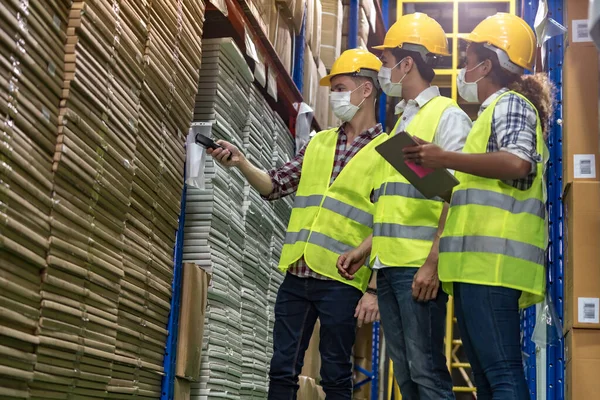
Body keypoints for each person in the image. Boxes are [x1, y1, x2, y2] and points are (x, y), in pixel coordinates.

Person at [208, 48, 387, 399]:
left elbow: (390, 224)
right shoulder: (318, 143)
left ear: (366, 90)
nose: (333, 96)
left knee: (336, 372)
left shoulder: (388, 151)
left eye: (340, 87)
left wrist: (374, 290)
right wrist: (241, 162)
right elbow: (275, 184)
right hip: (298, 274)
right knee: (282, 369)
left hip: (342, 280)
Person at [402, 13, 553, 400]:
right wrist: (432, 170)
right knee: (487, 381)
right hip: (474, 267)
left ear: (487, 66)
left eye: (467, 61)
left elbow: (518, 164)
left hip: (494, 265)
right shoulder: (488, 115)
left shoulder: (511, 104)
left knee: (501, 373)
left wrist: (444, 158)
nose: (462, 71)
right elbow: (476, 186)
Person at [336, 12, 472, 400]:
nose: (382, 70)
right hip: (391, 266)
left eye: (386, 61)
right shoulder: (401, 123)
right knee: (408, 377)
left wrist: (432, 263)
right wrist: (366, 251)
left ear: (407, 64)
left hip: (417, 268)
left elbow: (457, 196)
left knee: (426, 373)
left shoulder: (447, 117)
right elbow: (395, 205)